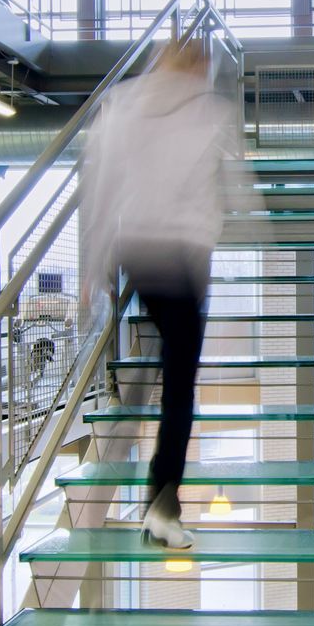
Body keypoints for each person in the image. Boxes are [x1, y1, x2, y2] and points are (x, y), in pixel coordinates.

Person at [83, 37, 253, 550]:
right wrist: (245, 225)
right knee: (181, 384)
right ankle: (162, 503)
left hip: (137, 250)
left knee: (174, 365)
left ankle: (157, 487)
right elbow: (238, 185)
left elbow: (99, 185)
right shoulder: (210, 109)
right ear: (197, 67)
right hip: (184, 258)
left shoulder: (123, 104)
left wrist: (94, 264)